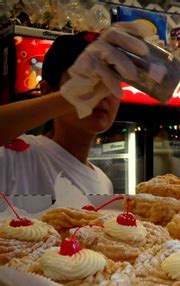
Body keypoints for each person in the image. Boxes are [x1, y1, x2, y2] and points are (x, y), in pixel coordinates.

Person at [0, 20, 154, 196]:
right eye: (91, 80)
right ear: (47, 91)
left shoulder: (104, 184)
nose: (101, 94)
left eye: (110, 83)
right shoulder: (15, 158)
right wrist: (68, 97)